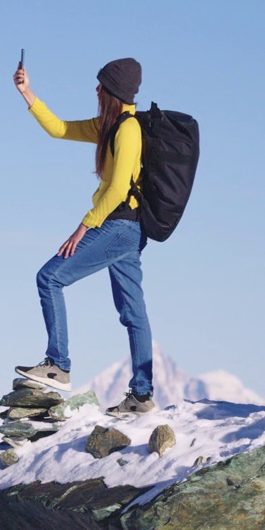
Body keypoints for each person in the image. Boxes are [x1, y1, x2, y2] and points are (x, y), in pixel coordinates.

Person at [11, 57, 156, 418]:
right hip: (128, 230)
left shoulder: (128, 130)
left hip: (119, 226)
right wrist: (28, 93)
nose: (95, 90)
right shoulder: (109, 127)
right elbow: (59, 129)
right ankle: (141, 396)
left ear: (114, 91)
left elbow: (119, 188)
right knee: (133, 312)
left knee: (49, 278)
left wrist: (84, 227)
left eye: (101, 86)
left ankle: (57, 365)